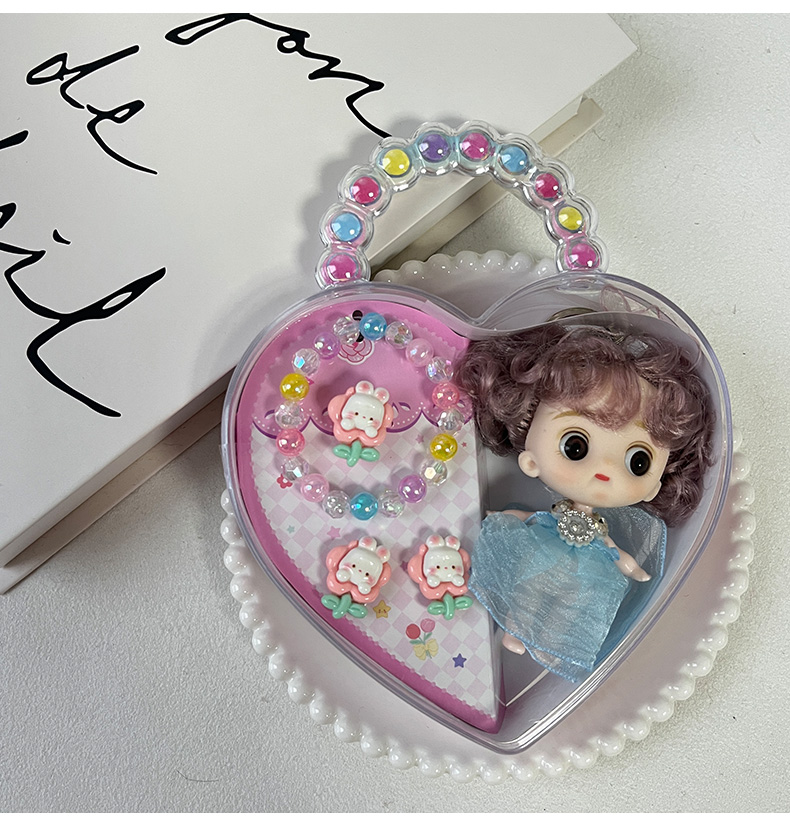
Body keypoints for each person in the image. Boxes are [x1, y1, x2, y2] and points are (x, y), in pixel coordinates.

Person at [454, 322, 715, 681]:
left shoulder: (605, 526)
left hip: (587, 573)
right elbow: (531, 518)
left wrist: (633, 569)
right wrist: (505, 516)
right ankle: (514, 629)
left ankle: (552, 644)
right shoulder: (554, 510)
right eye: (575, 446)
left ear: (653, 487)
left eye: (638, 461)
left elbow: (613, 550)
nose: (605, 469)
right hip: (542, 552)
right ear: (529, 459)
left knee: (570, 608)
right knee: (529, 591)